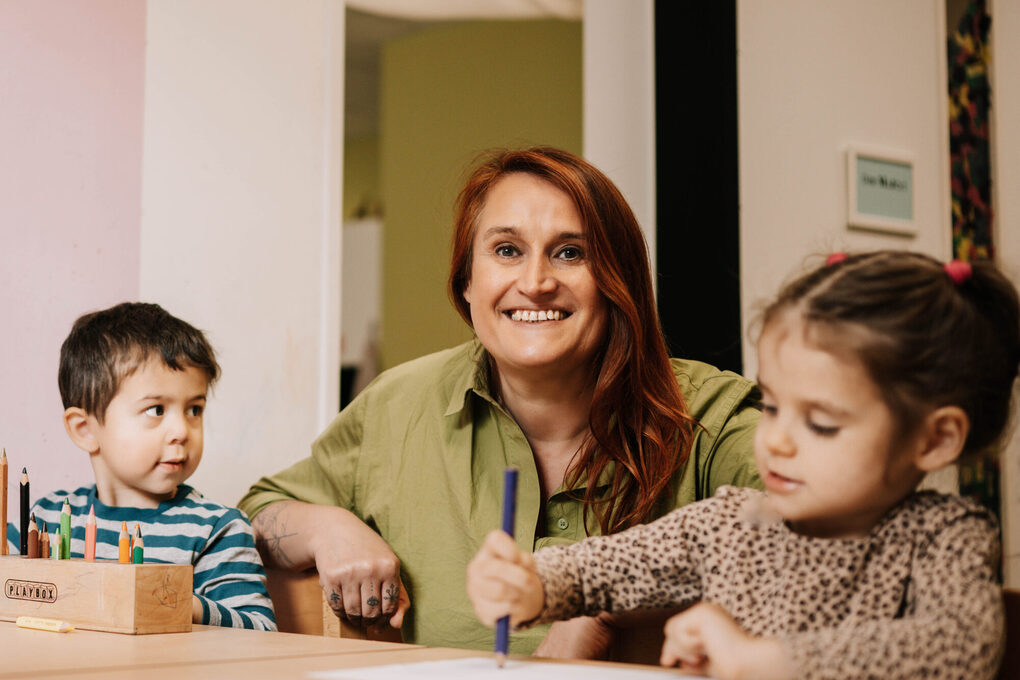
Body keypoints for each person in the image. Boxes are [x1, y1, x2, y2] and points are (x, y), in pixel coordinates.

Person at [238, 146, 761, 654]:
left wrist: (598, 603)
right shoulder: (398, 403)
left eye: (571, 253)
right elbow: (256, 513)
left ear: (616, 281)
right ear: (467, 280)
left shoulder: (711, 415)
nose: (535, 283)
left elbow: (820, 539)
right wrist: (330, 528)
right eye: (507, 250)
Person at [467, 250, 1017, 679]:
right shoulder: (733, 524)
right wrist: (530, 583)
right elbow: (603, 569)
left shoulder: (944, 536)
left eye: (821, 423)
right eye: (772, 407)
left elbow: (959, 649)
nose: (775, 441)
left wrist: (762, 662)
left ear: (936, 439)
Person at [7, 303, 276, 630]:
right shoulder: (46, 518)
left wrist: (172, 602)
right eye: (156, 410)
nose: (181, 431)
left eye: (194, 409)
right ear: (86, 429)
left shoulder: (217, 529)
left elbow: (261, 630)